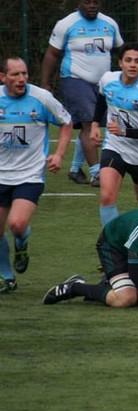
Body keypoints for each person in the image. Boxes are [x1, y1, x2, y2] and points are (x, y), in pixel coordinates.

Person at [0, 57, 73, 293]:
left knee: (17, 224)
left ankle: (21, 242)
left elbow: (66, 121)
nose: (21, 79)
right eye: (15, 75)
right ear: (3, 78)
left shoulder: (41, 98)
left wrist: (59, 155)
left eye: (24, 74)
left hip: (29, 174)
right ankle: (7, 277)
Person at [40, 0, 124, 187]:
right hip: (75, 79)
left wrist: (137, 68)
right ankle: (97, 173)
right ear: (79, 2)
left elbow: (121, 50)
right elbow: (52, 54)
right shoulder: (66, 24)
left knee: (94, 126)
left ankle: (76, 168)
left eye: (96, 2)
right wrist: (45, 83)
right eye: (87, 2)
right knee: (88, 124)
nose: (92, 5)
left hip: (103, 83)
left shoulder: (109, 23)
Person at [90, 43, 138, 226]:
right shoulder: (108, 79)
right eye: (128, 60)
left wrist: (125, 131)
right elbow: (101, 99)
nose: (132, 65)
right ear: (120, 63)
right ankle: (112, 244)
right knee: (107, 196)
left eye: (137, 62)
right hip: (114, 147)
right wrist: (94, 124)